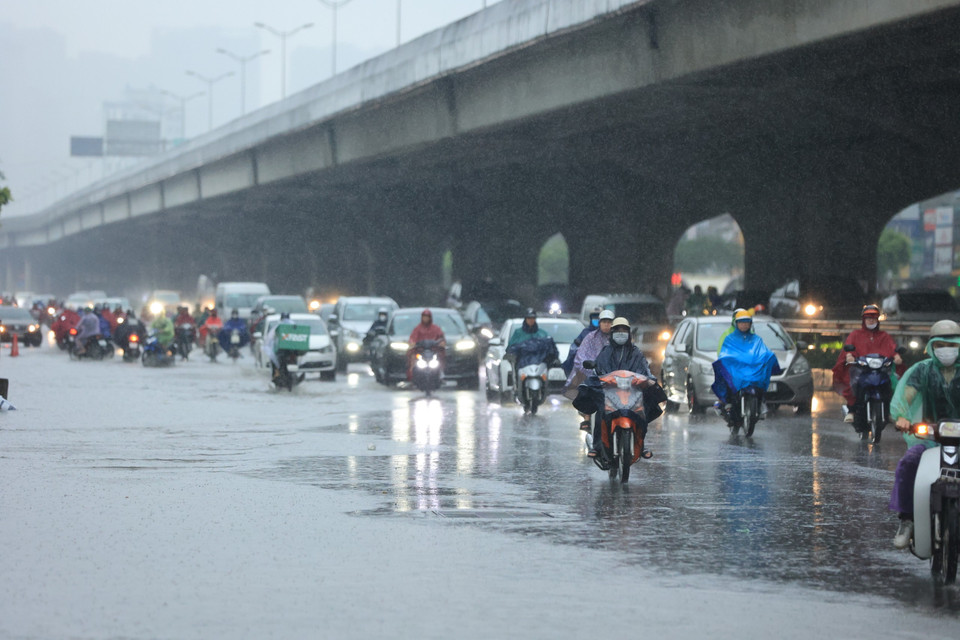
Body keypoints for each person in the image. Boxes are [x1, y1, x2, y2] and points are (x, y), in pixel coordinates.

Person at [888, 319, 960, 549]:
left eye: (952, 344)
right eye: (940, 345)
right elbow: (905, 396)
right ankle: (907, 519)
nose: (946, 350)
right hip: (931, 438)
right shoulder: (922, 370)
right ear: (931, 346)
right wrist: (901, 417)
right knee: (909, 463)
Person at [586, 317, 655, 457]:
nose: (621, 333)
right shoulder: (605, 352)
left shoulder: (636, 352)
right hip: (610, 392)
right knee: (601, 412)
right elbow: (598, 369)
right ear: (612, 333)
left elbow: (644, 369)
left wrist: (650, 379)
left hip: (632, 392)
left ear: (629, 333)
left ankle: (641, 445)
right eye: (617, 330)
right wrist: (597, 378)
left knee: (642, 413)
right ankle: (597, 447)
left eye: (624, 330)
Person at [831, 304, 903, 431]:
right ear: (863, 320)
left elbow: (892, 348)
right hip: (861, 368)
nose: (871, 321)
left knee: (892, 383)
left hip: (881, 369)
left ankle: (889, 412)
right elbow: (849, 347)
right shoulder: (855, 334)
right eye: (868, 318)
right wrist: (849, 356)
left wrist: (896, 356)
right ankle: (852, 410)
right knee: (852, 382)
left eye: (874, 318)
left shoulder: (884, 336)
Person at [711, 309, 780, 424]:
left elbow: (762, 351)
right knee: (728, 381)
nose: (744, 325)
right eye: (741, 322)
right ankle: (726, 403)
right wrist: (727, 361)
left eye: (747, 322)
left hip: (750, 369)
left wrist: (769, 358)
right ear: (736, 323)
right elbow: (723, 352)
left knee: (760, 382)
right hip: (736, 369)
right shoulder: (729, 337)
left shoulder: (756, 338)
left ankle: (761, 402)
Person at [564, 309, 614, 431]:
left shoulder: (617, 338)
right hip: (593, 373)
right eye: (604, 322)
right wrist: (589, 367)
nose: (606, 325)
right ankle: (587, 417)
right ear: (600, 323)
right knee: (587, 390)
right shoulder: (590, 337)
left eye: (609, 322)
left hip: (614, 375)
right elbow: (581, 356)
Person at [406, 309, 446, 380]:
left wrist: (441, 343)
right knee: (412, 358)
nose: (425, 318)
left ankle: (441, 373)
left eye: (427, 317)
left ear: (430, 318)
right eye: (424, 317)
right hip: (420, 351)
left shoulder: (436, 328)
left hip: (433, 351)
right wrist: (412, 344)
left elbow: (441, 338)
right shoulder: (417, 329)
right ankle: (411, 374)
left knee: (440, 357)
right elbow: (412, 339)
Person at [562, 307, 601, 377]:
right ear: (591, 319)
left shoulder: (607, 334)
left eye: (598, 318)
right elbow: (573, 350)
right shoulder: (585, 332)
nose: (596, 320)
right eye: (594, 317)